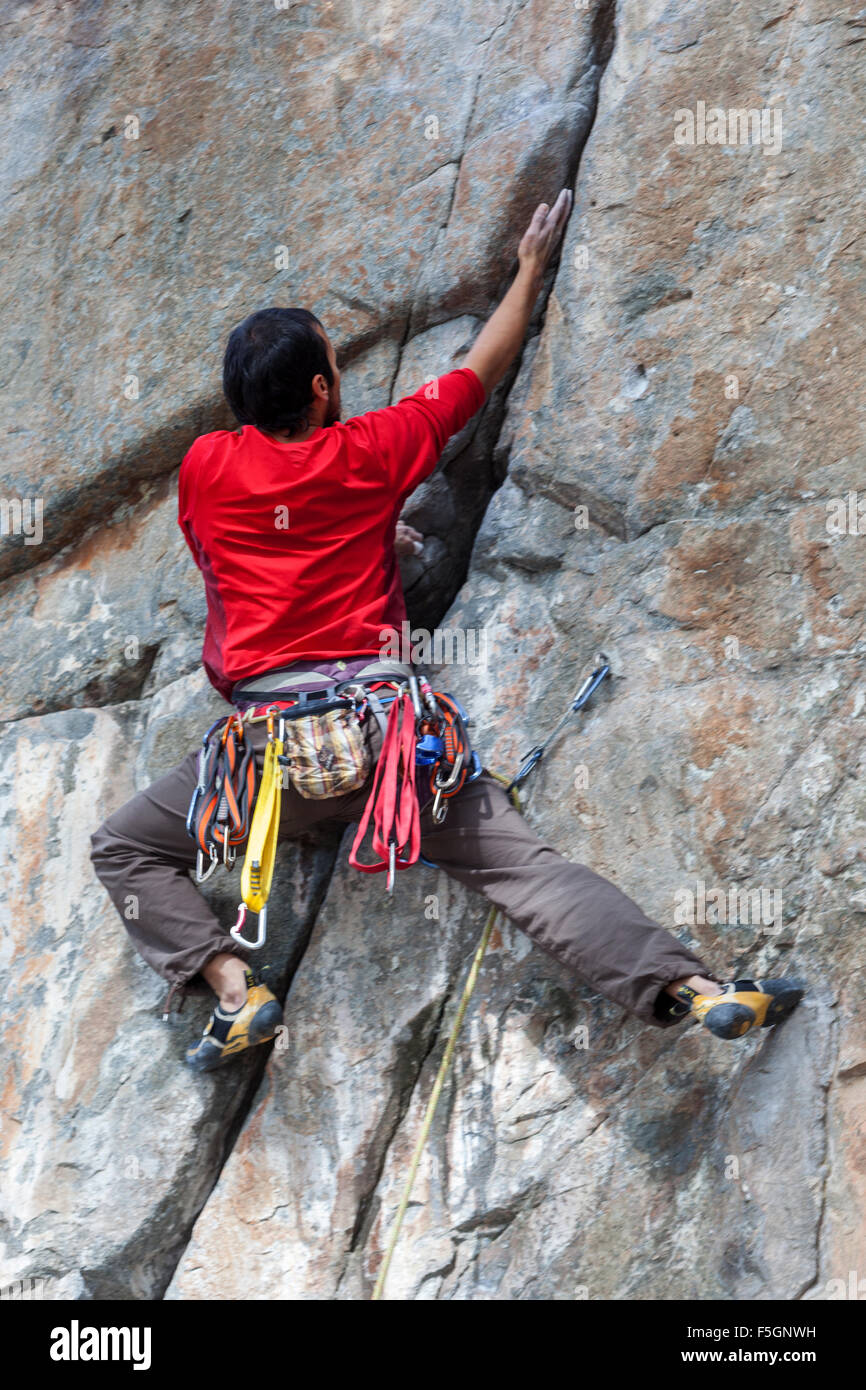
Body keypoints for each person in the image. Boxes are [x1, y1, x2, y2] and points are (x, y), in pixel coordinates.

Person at [91, 190, 804, 1069]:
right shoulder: (372, 451)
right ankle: (700, 990)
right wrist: (532, 271)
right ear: (324, 388)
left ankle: (236, 992)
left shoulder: (206, 467)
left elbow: (234, 555)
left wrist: (358, 532)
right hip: (390, 748)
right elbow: (477, 373)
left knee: (124, 843)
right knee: (524, 869)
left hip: (270, 763)